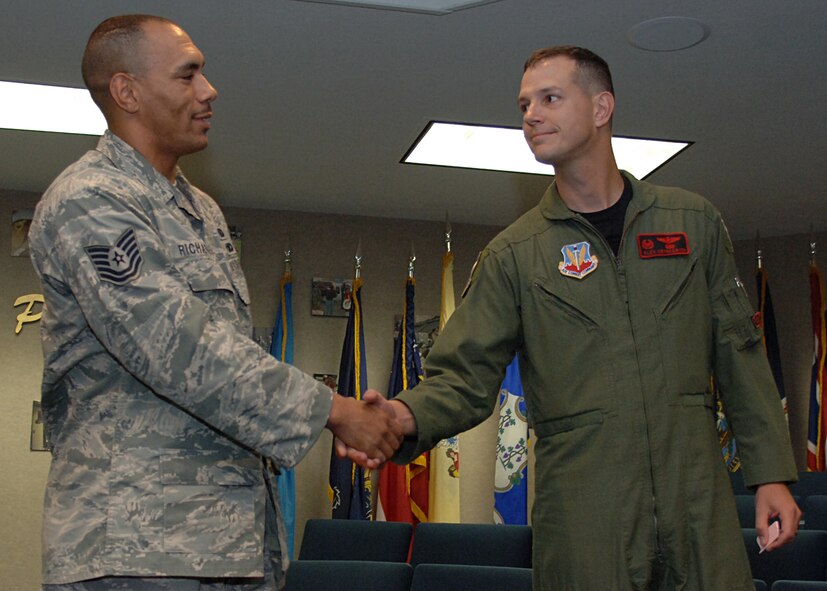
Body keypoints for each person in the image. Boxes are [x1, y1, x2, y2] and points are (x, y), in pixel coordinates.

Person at [374, 46, 801, 590]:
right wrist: (401, 417)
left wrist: (770, 475)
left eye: (550, 98)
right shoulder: (516, 255)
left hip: (697, 503)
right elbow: (463, 376)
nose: (531, 115)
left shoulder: (692, 223)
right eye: (525, 104)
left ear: (602, 108)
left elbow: (738, 352)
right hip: (584, 518)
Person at [29, 14, 400, 591]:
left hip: (228, 545)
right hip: (136, 549)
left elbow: (229, 350)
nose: (209, 90)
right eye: (188, 75)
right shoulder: (92, 199)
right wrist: (335, 411)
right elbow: (175, 345)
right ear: (127, 91)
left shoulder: (200, 209)